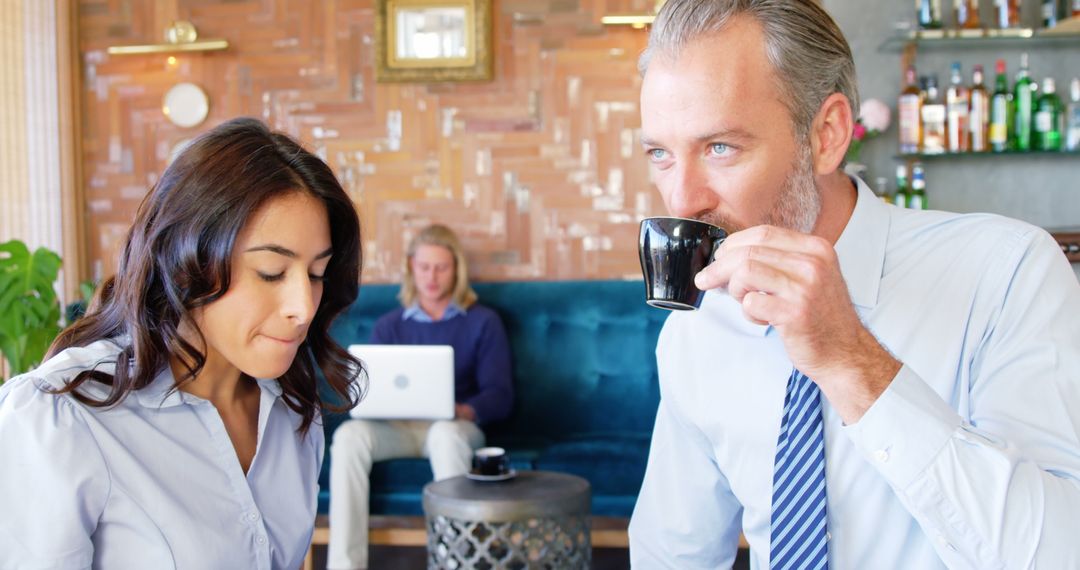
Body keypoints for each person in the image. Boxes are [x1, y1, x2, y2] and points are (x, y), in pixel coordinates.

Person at [628, 1, 1080, 568]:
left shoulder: (1008, 272)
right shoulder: (694, 334)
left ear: (827, 134)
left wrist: (850, 361)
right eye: (660, 154)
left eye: (721, 147)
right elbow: (673, 554)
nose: (682, 200)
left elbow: (1060, 554)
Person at [0, 117, 364, 569]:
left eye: (316, 274)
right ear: (186, 260)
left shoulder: (291, 409)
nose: (304, 307)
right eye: (271, 271)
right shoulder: (65, 419)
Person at [328, 224, 513, 570]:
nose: (432, 276)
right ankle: (344, 565)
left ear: (455, 270)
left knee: (445, 435)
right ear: (412, 267)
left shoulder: (483, 321)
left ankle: (452, 562)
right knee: (349, 437)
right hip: (396, 430)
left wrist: (462, 410)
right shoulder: (390, 325)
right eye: (425, 267)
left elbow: (500, 396)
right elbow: (372, 388)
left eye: (441, 267)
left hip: (453, 427)